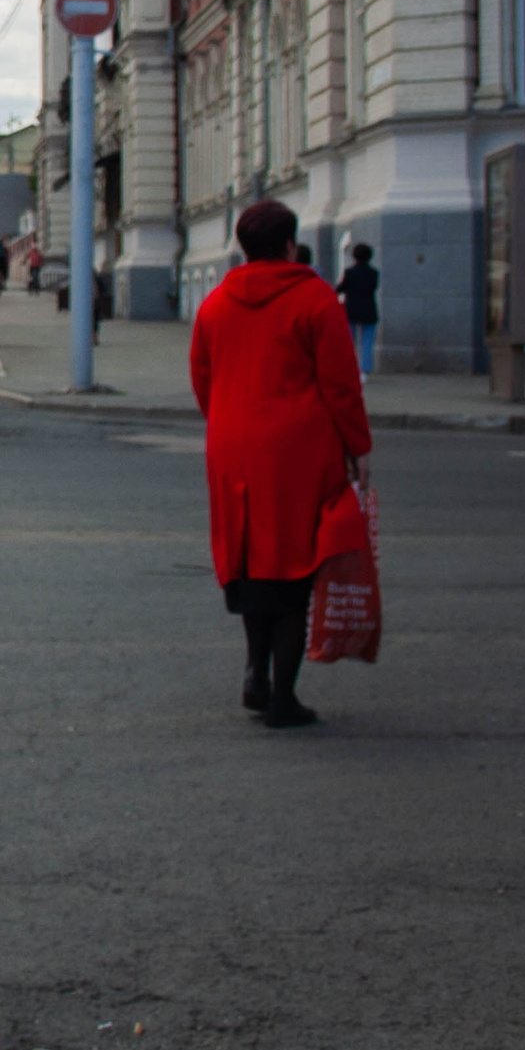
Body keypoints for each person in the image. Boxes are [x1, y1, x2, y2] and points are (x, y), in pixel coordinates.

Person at [189, 200, 372, 729]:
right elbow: (341, 383)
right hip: (299, 449)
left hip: (233, 445)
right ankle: (283, 696)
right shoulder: (314, 298)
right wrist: (357, 447)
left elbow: (203, 377)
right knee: (295, 567)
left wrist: (228, 421)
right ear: (290, 244)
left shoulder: (217, 303)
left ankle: (254, 672)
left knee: (249, 562)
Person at [337, 242, 382, 382]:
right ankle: (365, 370)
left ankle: (350, 368)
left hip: (351, 309)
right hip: (369, 309)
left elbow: (340, 288)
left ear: (354, 256)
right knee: (367, 342)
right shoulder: (374, 273)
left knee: (350, 341)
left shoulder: (349, 272)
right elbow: (373, 288)